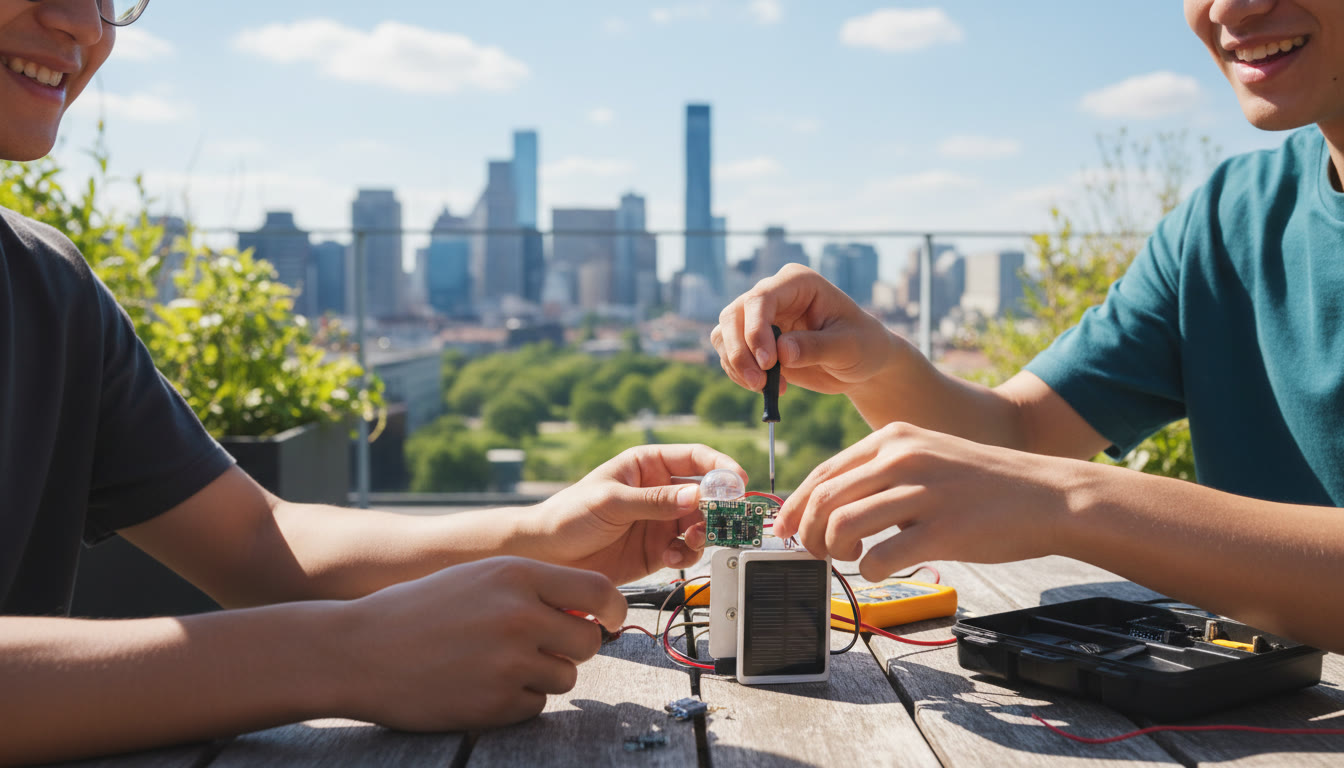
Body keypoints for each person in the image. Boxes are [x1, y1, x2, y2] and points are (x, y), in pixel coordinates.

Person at [0, 1, 741, 764]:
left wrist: (547, 536)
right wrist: (337, 655)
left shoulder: (47, 287)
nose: (87, 25)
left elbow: (259, 541)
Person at [714, 0, 1344, 655]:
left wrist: (1071, 504)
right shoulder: (1229, 216)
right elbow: (1021, 439)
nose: (1232, 6)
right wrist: (878, 365)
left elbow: (1040, 481)